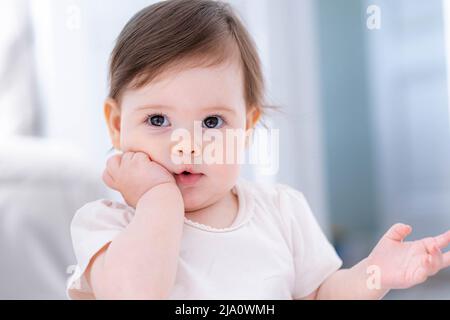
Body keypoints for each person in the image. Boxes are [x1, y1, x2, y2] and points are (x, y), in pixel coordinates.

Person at [66, 0, 450, 300]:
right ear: (117, 124)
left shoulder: (281, 211)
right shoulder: (107, 226)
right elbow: (137, 293)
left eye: (212, 122)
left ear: (247, 127)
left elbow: (320, 293)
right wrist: (158, 198)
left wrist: (373, 274)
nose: (186, 146)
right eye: (157, 120)